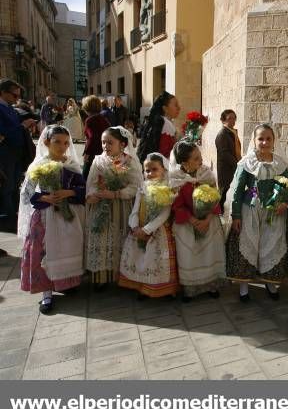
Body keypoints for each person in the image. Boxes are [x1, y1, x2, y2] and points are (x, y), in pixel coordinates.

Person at [18, 125, 86, 314]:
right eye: (57, 142)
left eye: (66, 143)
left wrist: (69, 191)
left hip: (68, 216)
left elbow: (83, 189)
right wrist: (44, 197)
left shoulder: (71, 164)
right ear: (46, 142)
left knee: (68, 247)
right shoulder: (39, 165)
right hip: (44, 216)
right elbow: (27, 192)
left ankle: (66, 283)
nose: (62, 146)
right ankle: (46, 293)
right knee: (43, 251)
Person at [226, 124, 288, 301]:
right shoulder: (247, 163)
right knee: (250, 242)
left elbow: (287, 186)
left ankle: (269, 281)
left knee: (271, 244)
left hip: (273, 211)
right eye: (260, 138)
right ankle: (244, 285)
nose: (264, 142)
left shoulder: (280, 163)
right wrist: (236, 215)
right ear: (254, 141)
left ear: (274, 141)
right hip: (250, 209)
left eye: (268, 138)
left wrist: (284, 202)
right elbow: (238, 191)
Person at [85, 126, 143, 289]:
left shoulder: (129, 161)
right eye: (103, 142)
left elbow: (136, 186)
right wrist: (93, 194)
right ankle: (102, 276)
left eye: (110, 142)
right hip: (101, 206)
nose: (105, 146)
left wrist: (117, 194)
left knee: (119, 238)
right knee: (102, 239)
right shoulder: (98, 161)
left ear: (122, 144)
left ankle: (121, 275)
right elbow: (92, 182)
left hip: (121, 207)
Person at [170, 139, 225, 302]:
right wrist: (193, 220)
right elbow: (176, 205)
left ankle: (211, 285)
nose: (201, 160)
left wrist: (207, 219)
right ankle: (190, 288)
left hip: (209, 220)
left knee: (209, 252)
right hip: (187, 223)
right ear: (185, 163)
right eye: (196, 158)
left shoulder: (206, 174)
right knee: (190, 254)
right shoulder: (176, 179)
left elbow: (215, 198)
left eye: (200, 156)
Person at [119, 152, 179, 299]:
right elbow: (135, 208)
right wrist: (134, 226)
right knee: (141, 258)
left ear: (163, 170)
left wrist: (147, 230)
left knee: (155, 258)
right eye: (147, 170)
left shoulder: (167, 189)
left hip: (158, 231)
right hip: (139, 228)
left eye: (154, 169)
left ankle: (161, 288)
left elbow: (164, 214)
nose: (150, 173)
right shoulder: (143, 186)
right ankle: (143, 286)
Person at [0, 79, 26, 231]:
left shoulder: (10, 108)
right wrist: (22, 126)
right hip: (5, 154)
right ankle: (7, 219)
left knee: (14, 185)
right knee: (7, 186)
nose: (17, 99)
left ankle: (13, 216)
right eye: (14, 95)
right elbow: (4, 132)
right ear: (3, 92)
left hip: (15, 153)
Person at [137, 91, 180, 162]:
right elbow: (165, 153)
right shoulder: (166, 124)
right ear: (165, 108)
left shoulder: (158, 121)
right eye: (176, 105)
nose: (179, 108)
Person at [215, 109, 241, 212]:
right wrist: (237, 164)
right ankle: (220, 213)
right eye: (230, 118)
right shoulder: (222, 134)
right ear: (223, 120)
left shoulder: (232, 132)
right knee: (224, 190)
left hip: (233, 166)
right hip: (226, 169)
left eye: (234, 118)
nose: (233, 121)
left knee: (230, 190)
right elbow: (224, 153)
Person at [81, 95, 111, 179]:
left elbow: (92, 137)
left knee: (86, 176)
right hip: (104, 151)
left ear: (87, 107)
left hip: (93, 153)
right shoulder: (103, 118)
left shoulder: (90, 120)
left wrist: (87, 153)